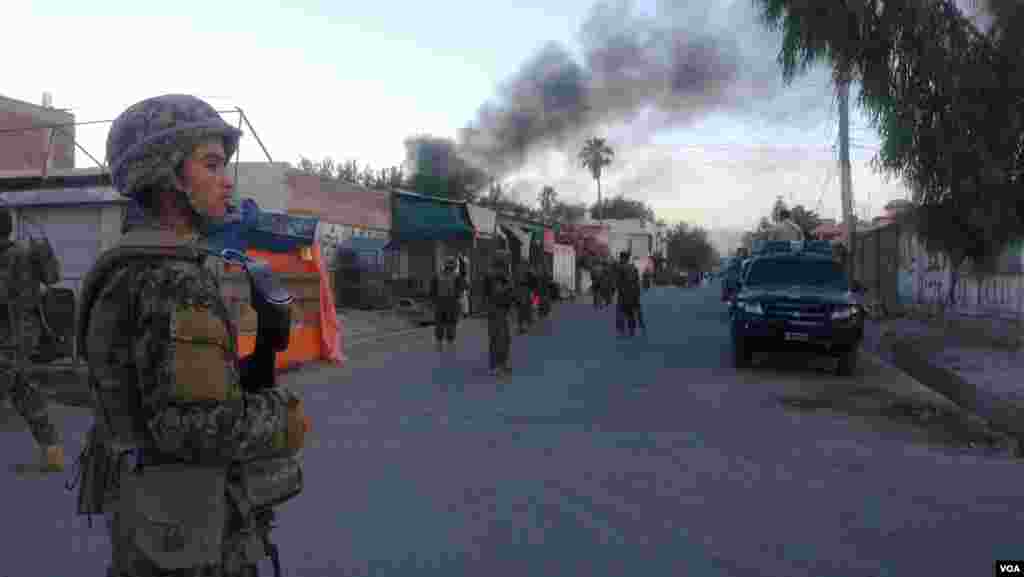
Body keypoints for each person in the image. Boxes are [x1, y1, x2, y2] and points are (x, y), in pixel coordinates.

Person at [77, 94, 309, 577]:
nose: (227, 182)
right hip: (188, 538)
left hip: (153, 525)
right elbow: (190, 427)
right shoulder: (173, 279)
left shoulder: (131, 265)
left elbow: (156, 392)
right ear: (166, 177)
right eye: (211, 165)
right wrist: (284, 416)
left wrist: (242, 372)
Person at [0, 208, 64, 472]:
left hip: (9, 335)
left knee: (16, 387)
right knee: (23, 392)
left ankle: (52, 452)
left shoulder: (10, 257)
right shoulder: (27, 253)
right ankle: (52, 451)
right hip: (25, 333)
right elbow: (53, 278)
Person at [483, 255, 514, 376]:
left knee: (504, 338)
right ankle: (497, 365)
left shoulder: (500, 276)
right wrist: (508, 286)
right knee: (499, 338)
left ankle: (501, 364)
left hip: (500, 310)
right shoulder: (494, 276)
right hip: (496, 310)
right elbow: (497, 292)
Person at [430, 256, 465, 352]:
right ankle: (450, 344)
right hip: (452, 303)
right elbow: (461, 290)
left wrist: (434, 302)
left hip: (440, 303)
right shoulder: (457, 276)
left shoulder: (437, 275)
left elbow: (432, 291)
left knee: (440, 324)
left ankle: (439, 344)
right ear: (454, 265)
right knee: (451, 324)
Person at [614, 251, 642, 337]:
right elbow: (637, 282)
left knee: (620, 312)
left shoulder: (620, 268)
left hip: (623, 294)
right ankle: (632, 331)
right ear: (628, 258)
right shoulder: (634, 268)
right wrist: (637, 295)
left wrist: (617, 290)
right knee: (630, 313)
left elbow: (617, 282)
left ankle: (621, 331)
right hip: (633, 294)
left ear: (622, 258)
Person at [516, 266, 535, 334]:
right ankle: (523, 326)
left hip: (527, 293)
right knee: (524, 310)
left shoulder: (529, 275)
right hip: (526, 293)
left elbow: (532, 286)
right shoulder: (528, 275)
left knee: (525, 310)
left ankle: (524, 325)